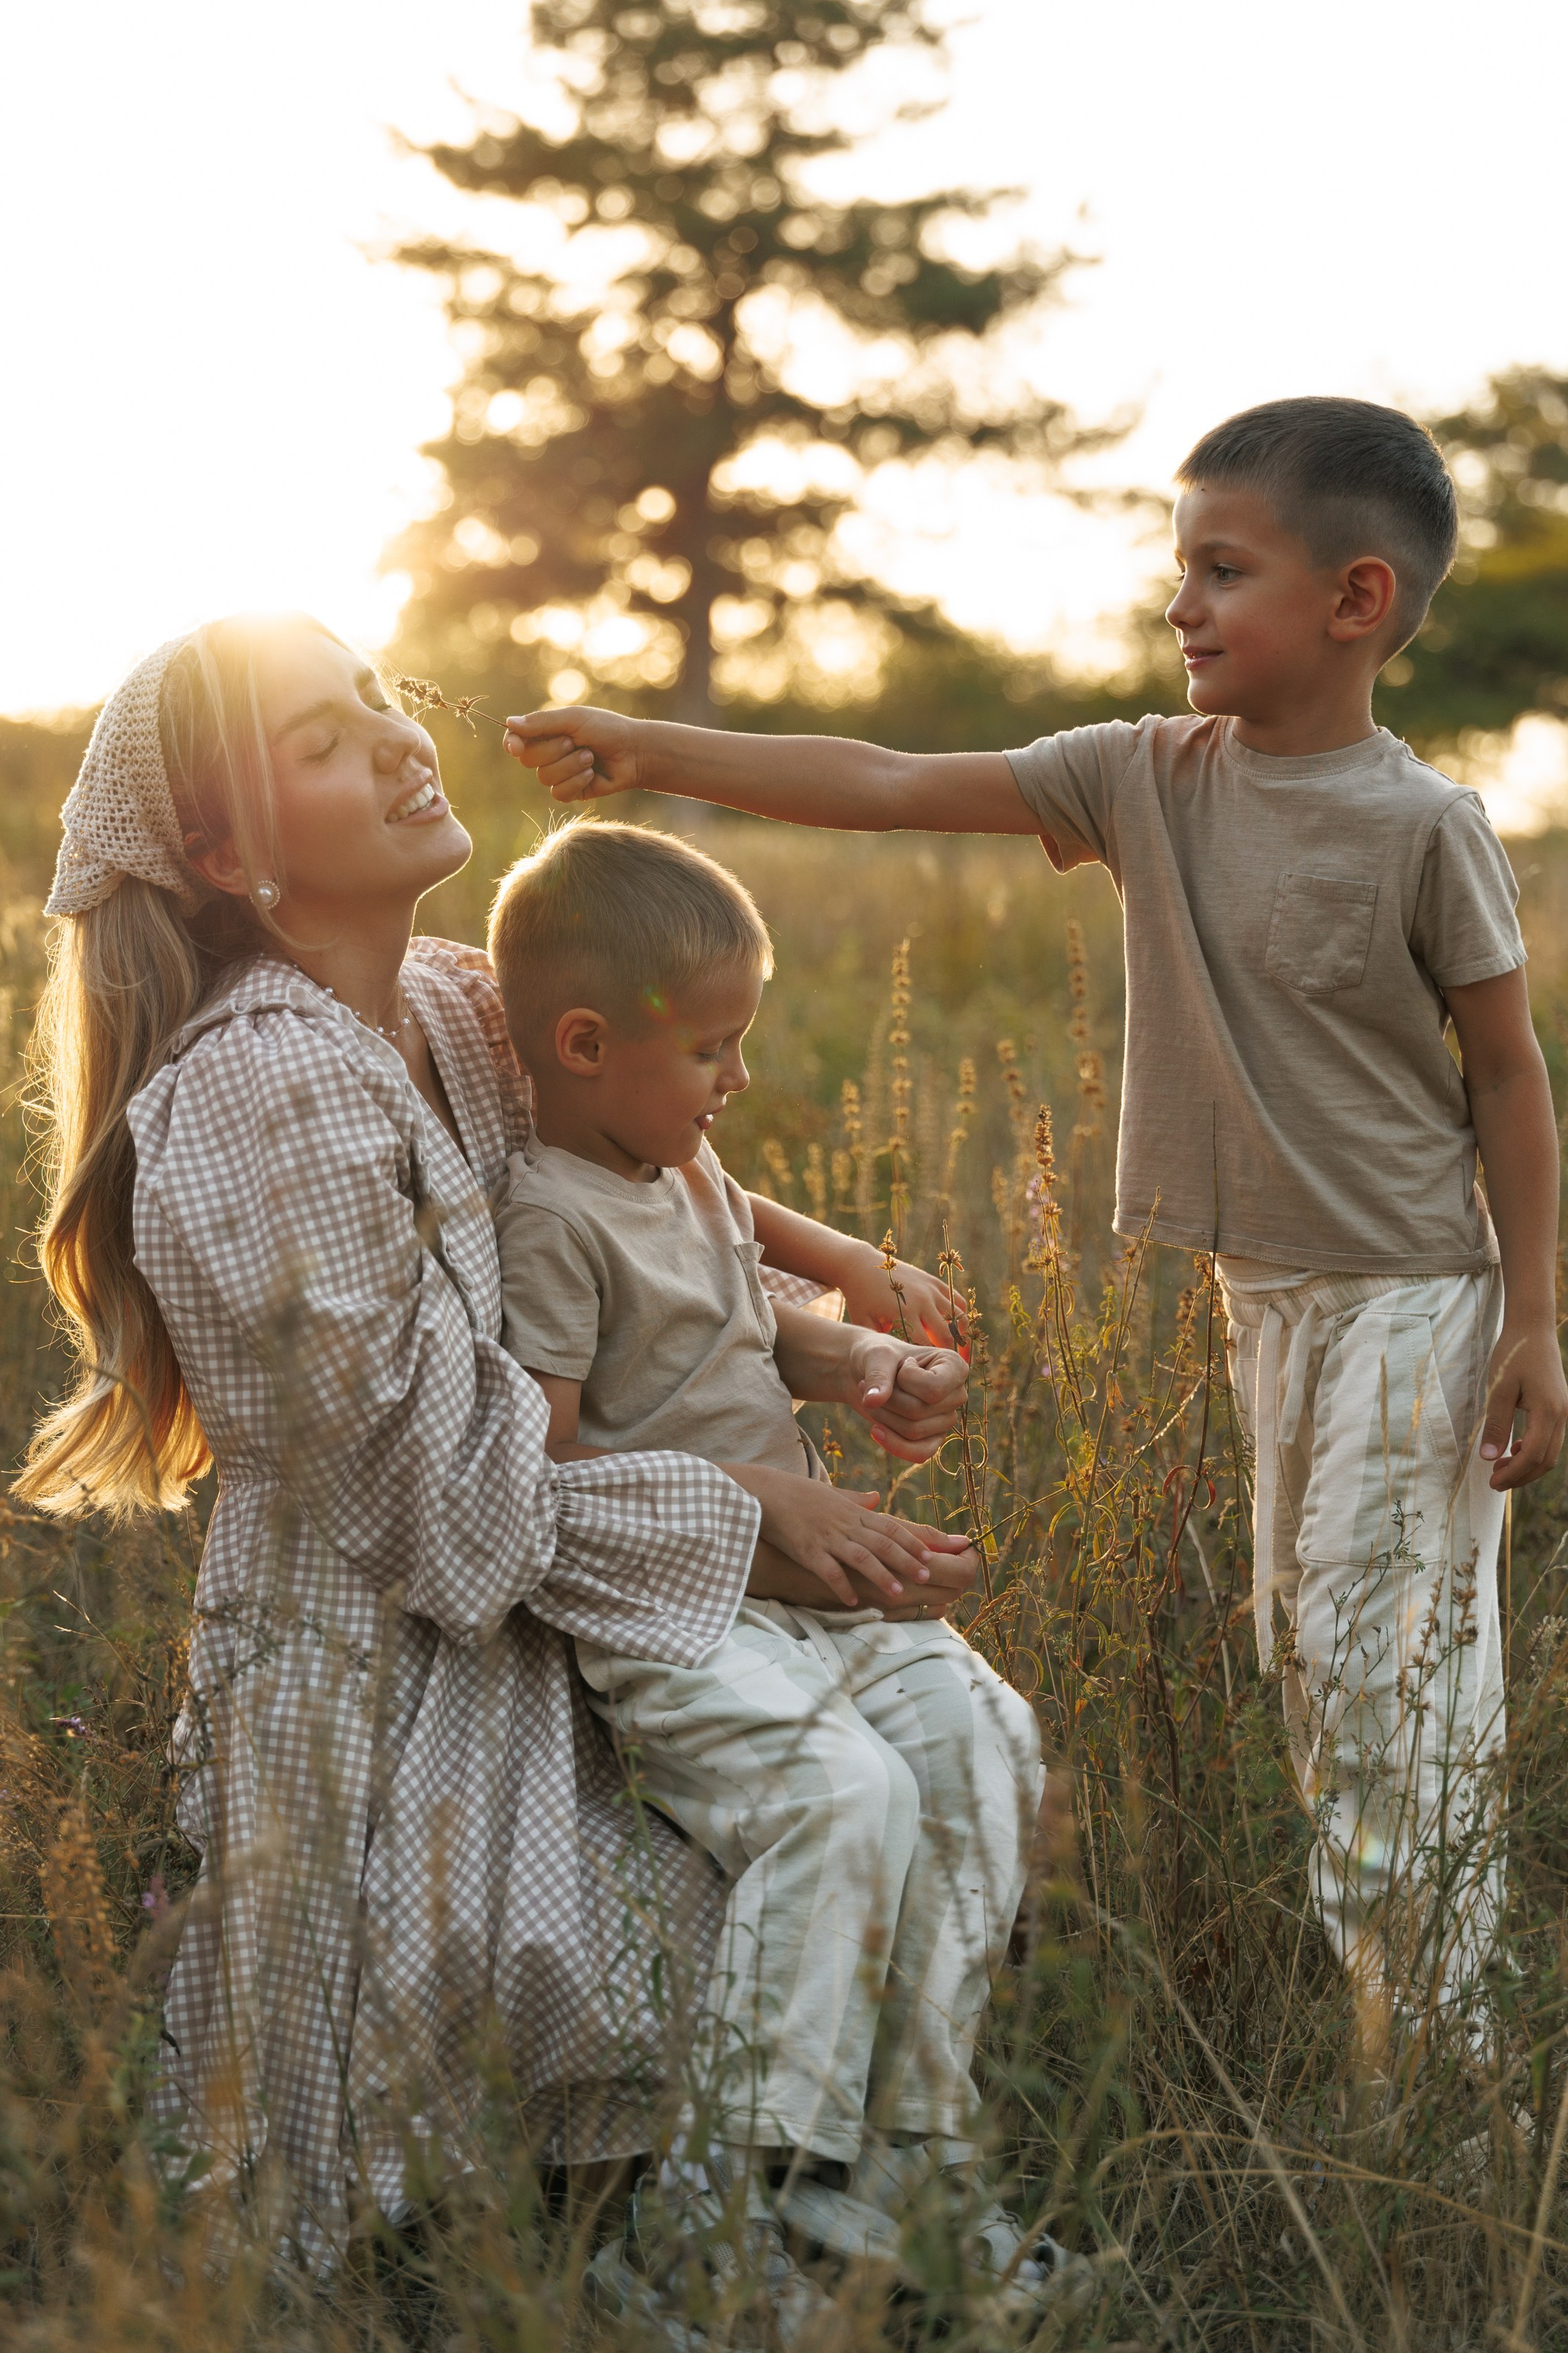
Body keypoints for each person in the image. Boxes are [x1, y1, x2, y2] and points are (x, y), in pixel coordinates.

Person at [506, 396, 1568, 2057]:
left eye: (1222, 569)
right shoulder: (1142, 775)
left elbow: (1504, 1077)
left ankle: (1440, 2061)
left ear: (1352, 602)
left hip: (1411, 1300)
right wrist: (652, 748)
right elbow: (877, 777)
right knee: (1310, 1657)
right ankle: (1407, 2023)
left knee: (1386, 1679)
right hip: (1271, 1301)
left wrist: (1527, 1320)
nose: (1180, 604)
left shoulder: (1423, 828)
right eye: (1179, 568)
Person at [16, 611, 980, 2284]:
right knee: (766, 1839)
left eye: (380, 704)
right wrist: (742, 1504)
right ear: (228, 855)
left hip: (578, 1587)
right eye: (324, 743)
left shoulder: (464, 1007)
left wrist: (828, 1329)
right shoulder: (260, 1094)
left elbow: (638, 1234)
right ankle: (693, 2246)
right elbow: (432, 1499)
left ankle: (879, 2209)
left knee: (951, 1750)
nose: (397, 742)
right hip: (393, 1660)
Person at [483, 818, 1065, 2327]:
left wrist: (860, 1355)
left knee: (985, 1742)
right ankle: (729, 2203)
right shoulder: (549, 1215)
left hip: (805, 1585)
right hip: (679, 1609)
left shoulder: (677, 1159)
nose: (737, 1079)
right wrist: (744, 1493)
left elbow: (745, 1324)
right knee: (838, 1794)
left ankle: (915, 2152)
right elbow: (536, 1471)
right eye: (714, 1048)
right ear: (587, 1041)